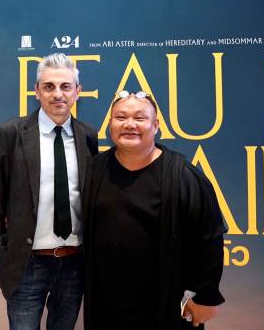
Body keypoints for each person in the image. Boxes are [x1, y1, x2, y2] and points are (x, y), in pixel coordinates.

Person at [83, 91, 226, 329]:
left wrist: (206, 297)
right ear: (110, 124)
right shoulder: (94, 170)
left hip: (166, 306)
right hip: (106, 306)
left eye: (140, 118)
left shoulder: (184, 176)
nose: (130, 124)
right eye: (121, 117)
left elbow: (210, 239)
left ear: (156, 125)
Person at [0, 53, 98, 329]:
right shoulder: (10, 133)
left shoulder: (88, 136)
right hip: (27, 264)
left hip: (74, 264)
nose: (58, 94)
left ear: (77, 91)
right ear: (37, 91)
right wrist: (12, 240)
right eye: (49, 86)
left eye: (65, 86)